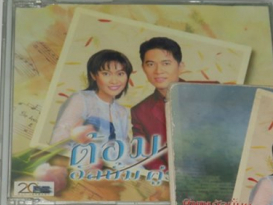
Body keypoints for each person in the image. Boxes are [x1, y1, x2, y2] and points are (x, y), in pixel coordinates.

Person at [50, 49, 132, 161]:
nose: (114, 81)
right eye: (106, 74)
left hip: (108, 168)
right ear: (93, 75)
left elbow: (123, 151)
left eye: (120, 74)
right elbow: (59, 140)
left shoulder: (122, 112)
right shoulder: (81, 99)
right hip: (77, 164)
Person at [130, 37, 185, 170]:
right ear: (143, 68)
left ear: (180, 66)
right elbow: (146, 156)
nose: (158, 71)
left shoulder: (208, 91)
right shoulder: (140, 111)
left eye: (166, 63)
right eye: (150, 64)